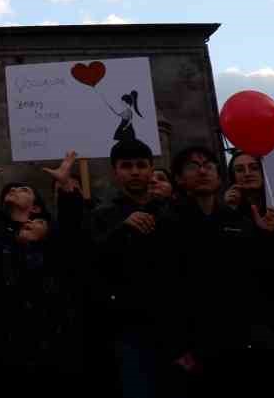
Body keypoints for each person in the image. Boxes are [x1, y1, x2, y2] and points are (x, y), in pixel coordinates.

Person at [0, 105, 86, 397]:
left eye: (23, 189)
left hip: (50, 342)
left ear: (35, 206)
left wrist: (68, 190)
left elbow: (74, 233)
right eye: (11, 188)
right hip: (4, 343)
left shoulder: (49, 234)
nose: (14, 190)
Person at [167, 146, 274, 398]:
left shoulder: (240, 222)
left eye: (209, 165)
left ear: (219, 176)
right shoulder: (166, 223)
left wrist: (265, 237)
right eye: (193, 166)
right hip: (198, 351)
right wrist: (177, 348)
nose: (203, 170)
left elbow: (267, 281)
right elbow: (163, 291)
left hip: (249, 345)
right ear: (179, 178)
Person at [88, 138, 177, 398]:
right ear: (116, 171)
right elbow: (92, 261)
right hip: (128, 329)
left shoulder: (170, 212)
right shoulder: (100, 215)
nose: (135, 171)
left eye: (141, 165)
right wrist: (123, 229)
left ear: (151, 169)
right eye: (127, 166)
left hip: (172, 327)